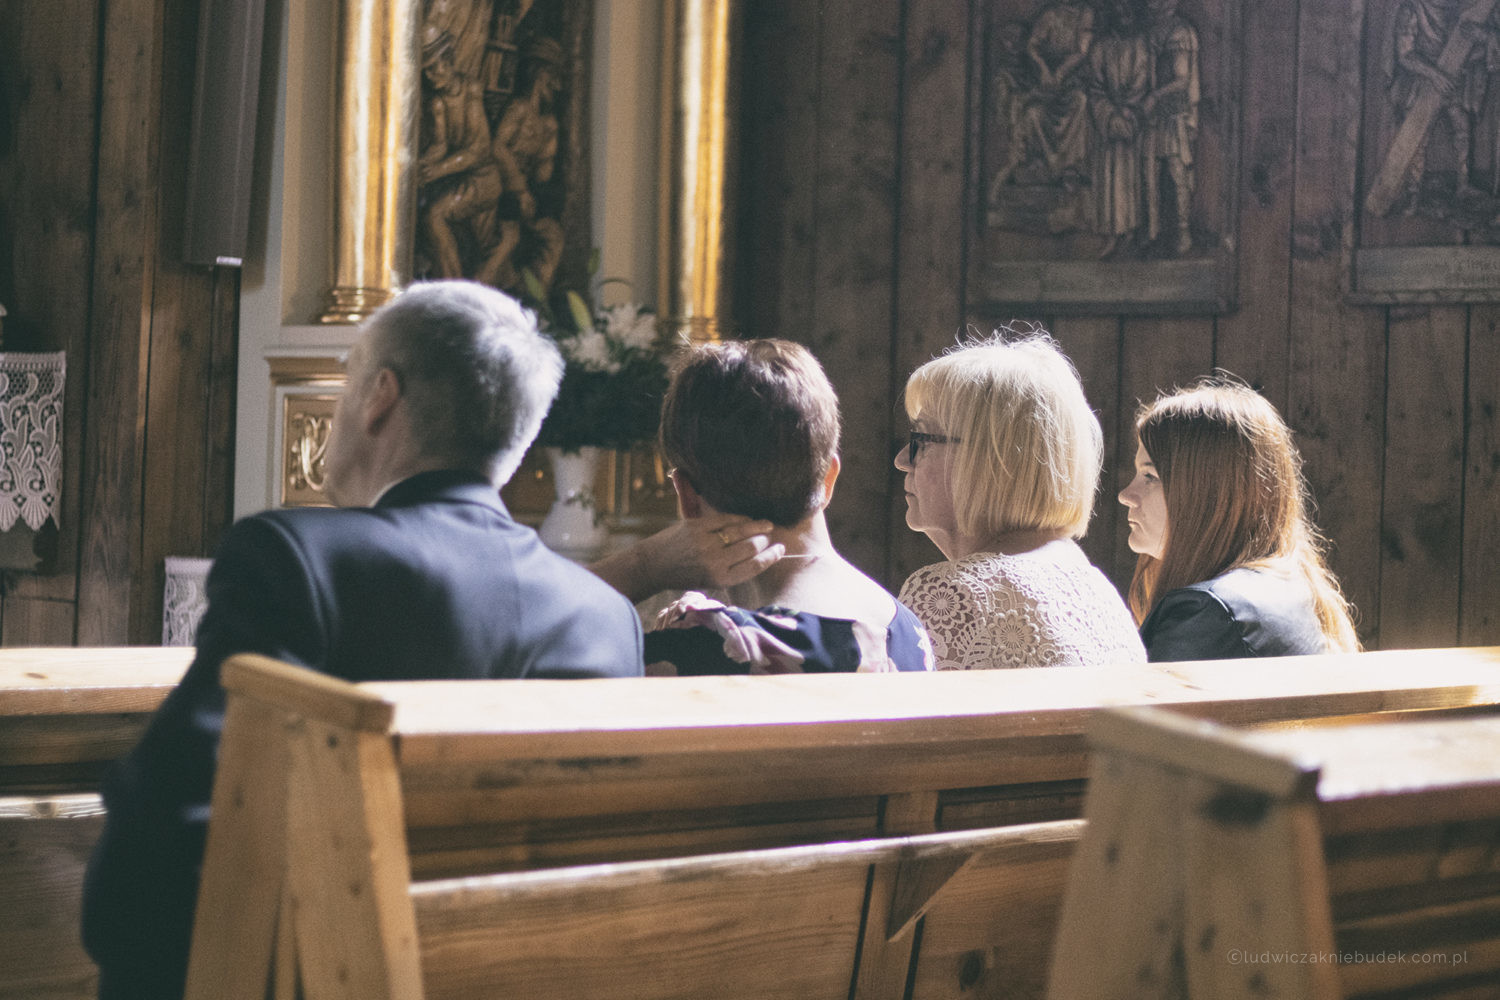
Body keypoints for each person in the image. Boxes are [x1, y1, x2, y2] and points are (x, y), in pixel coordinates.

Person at [81, 281, 644, 1000]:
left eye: (349, 382)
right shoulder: (605, 618)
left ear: (380, 396)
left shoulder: (299, 558)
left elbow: (170, 826)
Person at [641, 339, 933, 674]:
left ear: (687, 498)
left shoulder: (708, 646)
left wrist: (641, 568)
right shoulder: (909, 629)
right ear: (829, 477)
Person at [894, 330, 1144, 670]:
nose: (902, 460)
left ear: (990, 461)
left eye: (922, 439)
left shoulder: (951, 594)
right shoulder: (1095, 587)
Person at [1117, 377, 1360, 662]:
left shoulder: (1208, 615)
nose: (1125, 495)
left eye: (1150, 476)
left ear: (1211, 493)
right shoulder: (1291, 588)